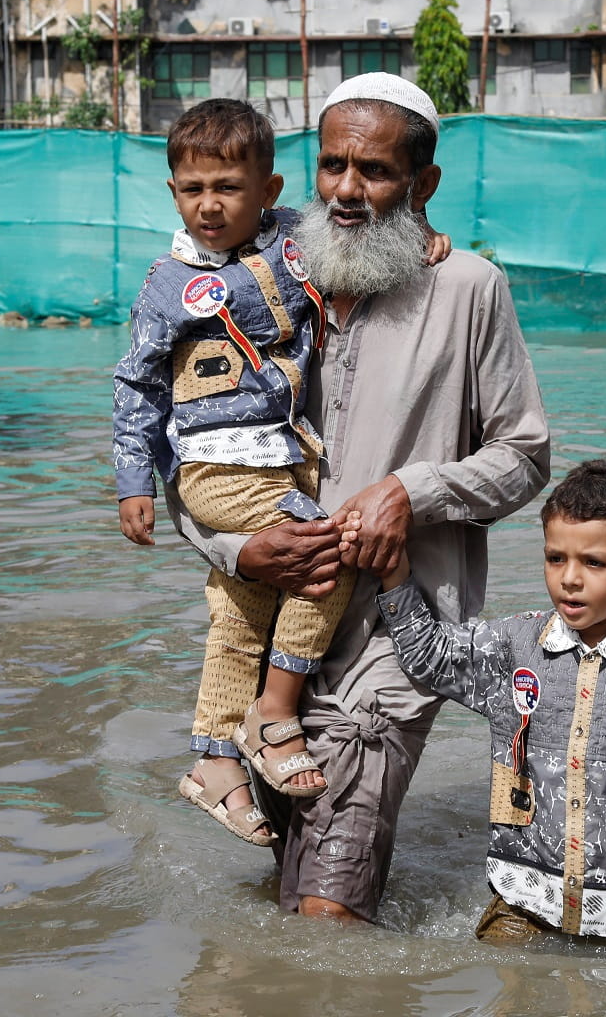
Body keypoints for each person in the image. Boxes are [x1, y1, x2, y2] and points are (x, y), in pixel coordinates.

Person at [168, 73, 551, 921]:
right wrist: (238, 549)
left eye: (374, 171)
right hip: (267, 632)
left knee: (326, 916)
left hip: (390, 636)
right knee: (291, 894)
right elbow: (192, 448)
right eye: (332, 165)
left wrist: (412, 492)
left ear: (423, 183)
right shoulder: (260, 287)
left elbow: (525, 457)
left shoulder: (467, 289)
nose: (346, 190)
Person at [111, 99, 451, 845]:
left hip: (280, 457)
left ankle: (213, 760)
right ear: (172, 193)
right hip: (215, 463)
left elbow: (366, 226)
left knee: (241, 607)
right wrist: (134, 480)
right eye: (192, 189)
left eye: (228, 188)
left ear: (267, 190)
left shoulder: (295, 239)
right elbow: (138, 385)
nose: (209, 205)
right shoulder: (166, 285)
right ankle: (274, 712)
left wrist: (423, 232)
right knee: (326, 552)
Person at [368, 460, 606, 961]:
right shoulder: (514, 646)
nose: (570, 579)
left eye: (594, 563)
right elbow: (432, 658)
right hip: (520, 907)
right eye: (556, 558)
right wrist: (395, 576)